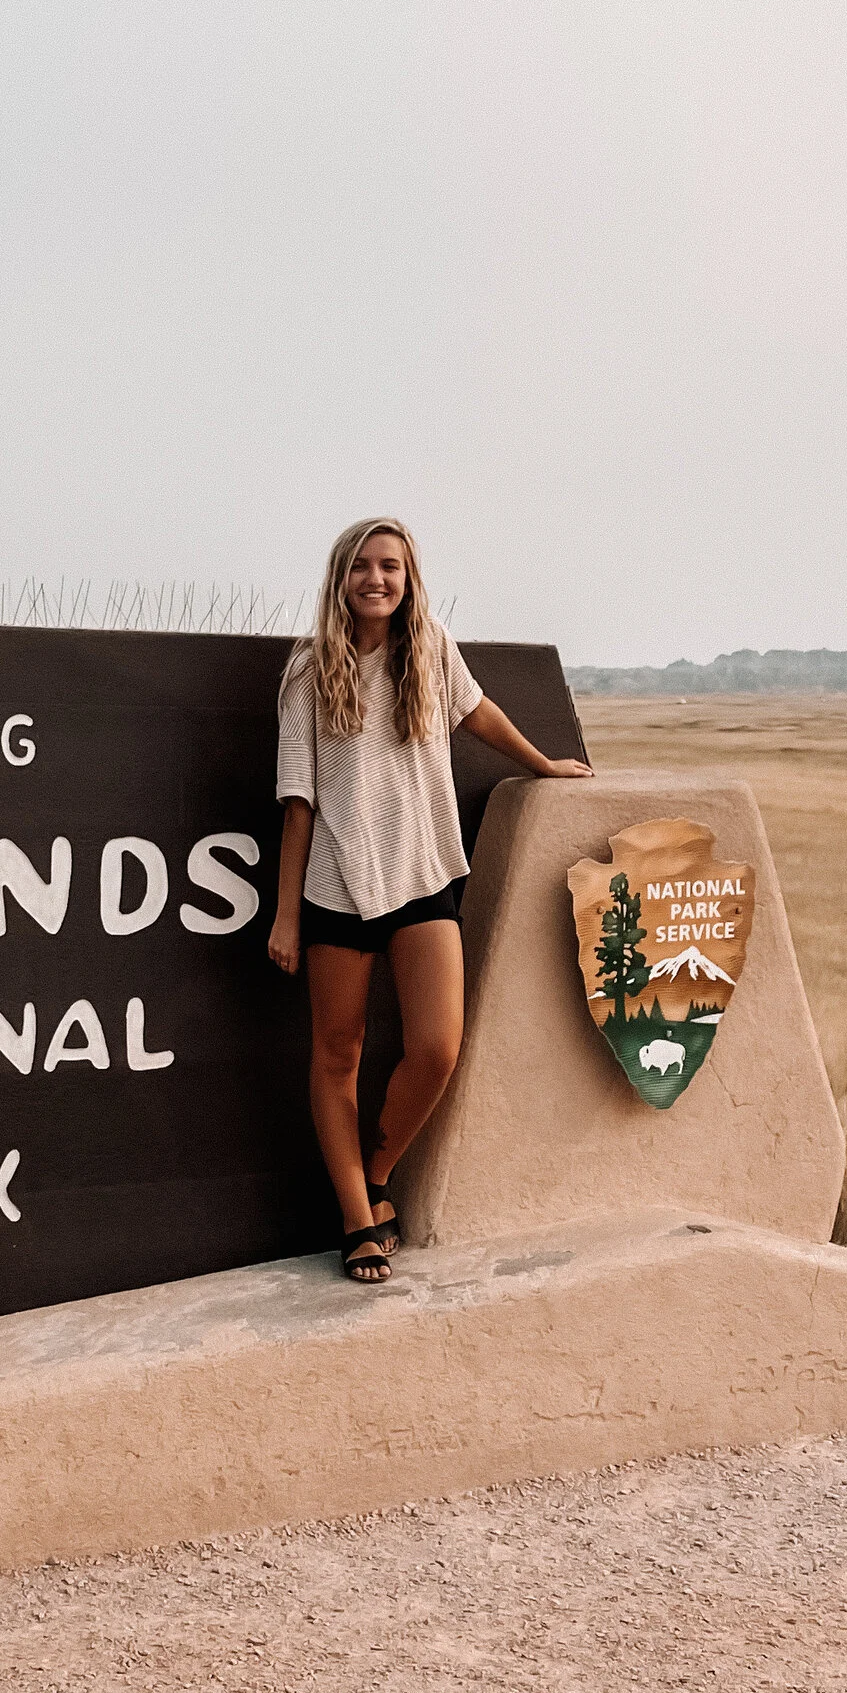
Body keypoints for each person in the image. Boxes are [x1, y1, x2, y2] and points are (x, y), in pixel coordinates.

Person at [270, 517, 592, 1282]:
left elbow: (476, 712)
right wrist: (285, 914)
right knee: (336, 1054)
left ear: (409, 578)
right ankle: (357, 1218)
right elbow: (297, 801)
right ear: (340, 577)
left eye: (391, 567)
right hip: (334, 889)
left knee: (438, 1046)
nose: (376, 579)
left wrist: (543, 762)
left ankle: (376, 1175)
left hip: (422, 877)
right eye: (362, 567)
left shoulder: (430, 649)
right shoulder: (310, 669)